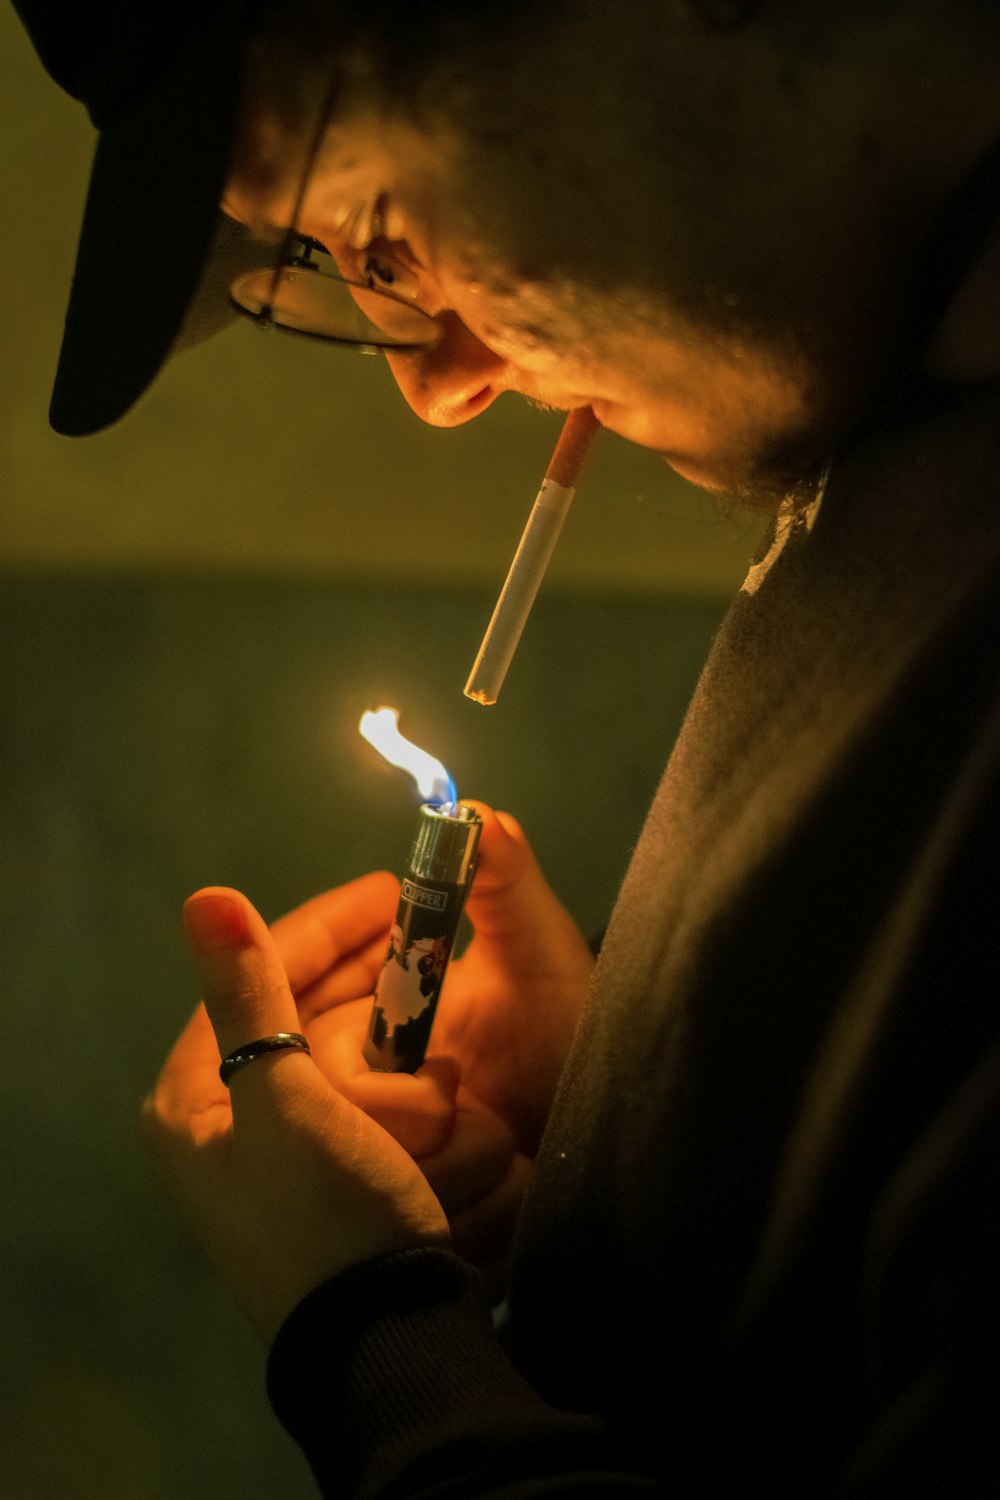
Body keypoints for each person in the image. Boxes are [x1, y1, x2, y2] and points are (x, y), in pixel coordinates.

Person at [12, 0, 1000, 1494]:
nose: (438, 382)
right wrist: (628, 1127)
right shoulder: (892, 464)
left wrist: (364, 1329)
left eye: (387, 236)